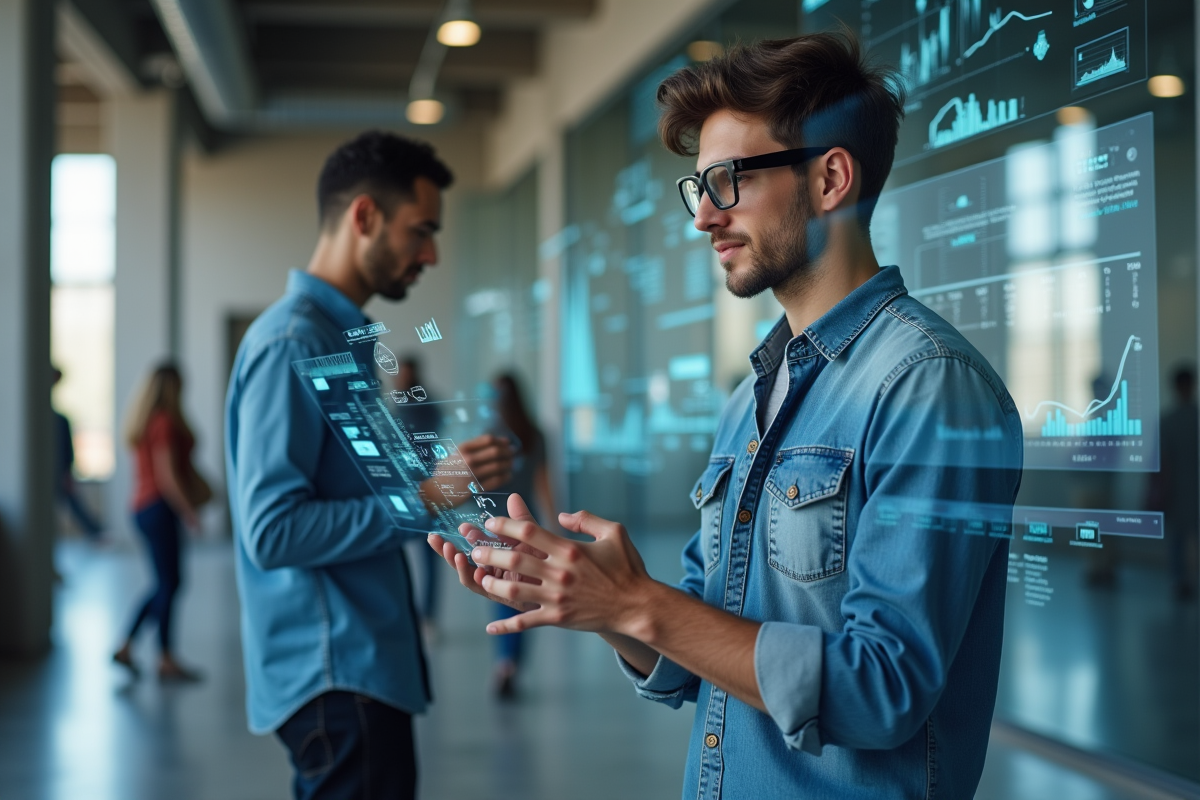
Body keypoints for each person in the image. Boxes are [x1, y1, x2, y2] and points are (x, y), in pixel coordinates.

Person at [432, 33, 1023, 799]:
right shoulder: (752, 395)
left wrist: (642, 604)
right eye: (698, 187)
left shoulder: (927, 385)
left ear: (830, 178)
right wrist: (592, 602)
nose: (704, 216)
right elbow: (694, 658)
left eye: (727, 181)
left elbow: (885, 691)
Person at [225, 131, 513, 800]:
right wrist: (430, 496)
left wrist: (443, 496)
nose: (431, 254)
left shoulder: (337, 340)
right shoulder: (295, 341)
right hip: (337, 678)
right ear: (364, 217)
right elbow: (272, 532)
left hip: (358, 673)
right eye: (421, 231)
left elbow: (351, 491)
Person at [113, 363, 207, 681]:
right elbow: (167, 476)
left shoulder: (148, 421)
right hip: (159, 508)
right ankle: (161, 656)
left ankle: (131, 646)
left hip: (145, 507)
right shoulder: (165, 422)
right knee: (168, 583)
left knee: (166, 583)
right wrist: (188, 511)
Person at [489, 372, 556, 698]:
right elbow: (544, 482)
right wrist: (552, 525)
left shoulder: (491, 435)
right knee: (524, 593)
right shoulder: (536, 434)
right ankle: (513, 662)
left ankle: (504, 662)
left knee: (499, 588)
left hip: (496, 525)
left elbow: (479, 485)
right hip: (527, 524)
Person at [394, 356, 443, 640]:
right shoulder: (393, 407)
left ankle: (427, 616)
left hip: (427, 490)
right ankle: (409, 615)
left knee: (430, 554)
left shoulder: (428, 406)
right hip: (402, 491)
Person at [1149, 366, 1199, 600]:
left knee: (1177, 541)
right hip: (1185, 491)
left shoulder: (1168, 420)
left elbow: (1161, 464)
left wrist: (1155, 492)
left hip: (1177, 492)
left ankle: (1180, 582)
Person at [51, 365, 104, 541]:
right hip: (52, 471)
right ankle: (97, 533)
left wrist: (68, 471)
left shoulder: (59, 419)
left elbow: (67, 449)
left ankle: (97, 533)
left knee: (73, 502)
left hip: (59, 470)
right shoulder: (51, 418)